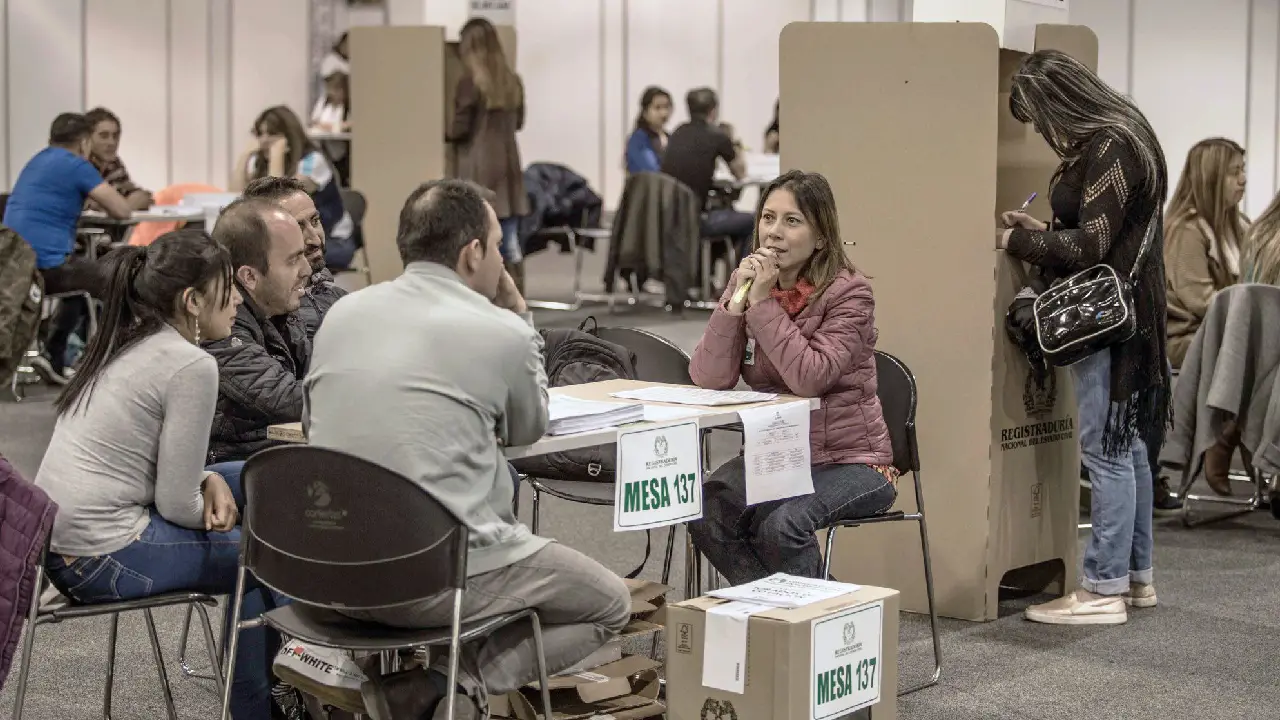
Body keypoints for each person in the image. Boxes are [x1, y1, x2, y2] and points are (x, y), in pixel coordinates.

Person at [304, 179, 629, 720]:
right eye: (498, 244)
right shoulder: (500, 331)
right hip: (435, 575)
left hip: (322, 566)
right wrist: (518, 312)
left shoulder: (343, 313)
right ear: (473, 251)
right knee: (610, 604)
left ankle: (417, 685)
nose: (501, 256)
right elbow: (530, 426)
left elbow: (316, 424)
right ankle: (449, 685)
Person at [32, 229, 291, 720]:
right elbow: (176, 505)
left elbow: (166, 475)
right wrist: (215, 506)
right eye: (225, 287)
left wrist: (211, 481)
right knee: (266, 557)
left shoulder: (129, 340)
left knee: (260, 475)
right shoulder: (189, 365)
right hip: (101, 555)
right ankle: (262, 708)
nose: (237, 297)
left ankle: (285, 685)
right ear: (193, 301)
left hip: (65, 544)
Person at [999, 49, 1170, 626]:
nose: (1045, 135)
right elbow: (1109, 234)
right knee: (1130, 448)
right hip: (1136, 308)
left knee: (1106, 453)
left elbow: (1094, 246)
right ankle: (1134, 577)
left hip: (1107, 313)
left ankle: (1101, 591)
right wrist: (1045, 229)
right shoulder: (1127, 135)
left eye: (1041, 119)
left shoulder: (1108, 146)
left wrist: (1020, 245)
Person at [686, 170, 897, 584]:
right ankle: (777, 619)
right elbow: (709, 378)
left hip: (851, 459)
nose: (774, 234)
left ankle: (816, 628)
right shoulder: (748, 284)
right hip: (779, 455)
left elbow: (809, 378)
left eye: (791, 221)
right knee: (707, 509)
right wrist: (735, 305)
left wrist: (762, 305)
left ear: (821, 237)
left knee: (782, 525)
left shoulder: (849, 293)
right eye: (767, 218)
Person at [3, 113, 133, 383]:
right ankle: (116, 365)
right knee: (120, 280)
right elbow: (121, 209)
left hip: (12, 265)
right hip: (44, 266)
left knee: (78, 287)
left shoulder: (38, 160)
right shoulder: (76, 165)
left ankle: (53, 356)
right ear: (85, 142)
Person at [1164, 138, 1249, 498]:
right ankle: (1228, 438)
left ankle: (1233, 439)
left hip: (1221, 336)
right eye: (1234, 172)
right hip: (1185, 341)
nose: (1243, 179)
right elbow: (1201, 301)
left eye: (1243, 170)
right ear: (1212, 178)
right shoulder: (1186, 229)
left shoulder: (1237, 225)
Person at [205, 198, 312, 463]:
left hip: (273, 453)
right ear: (249, 277)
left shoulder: (279, 308)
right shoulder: (219, 324)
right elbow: (289, 400)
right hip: (232, 466)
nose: (307, 269)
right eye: (293, 260)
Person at [448, 17, 530, 291]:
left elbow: (458, 129)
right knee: (510, 238)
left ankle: (487, 294)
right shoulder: (512, 81)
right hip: (509, 163)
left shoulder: (469, 83)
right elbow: (519, 123)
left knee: (478, 234)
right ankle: (517, 295)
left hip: (479, 163)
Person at [232, 105, 357, 268]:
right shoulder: (262, 162)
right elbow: (235, 199)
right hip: (292, 240)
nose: (263, 140)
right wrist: (244, 157)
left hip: (331, 241)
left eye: (272, 134)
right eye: (260, 134)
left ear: (289, 136)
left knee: (267, 260)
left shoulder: (313, 161)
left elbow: (277, 202)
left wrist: (277, 155)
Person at [242, 176, 347, 340]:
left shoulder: (339, 297)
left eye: (315, 221)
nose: (315, 239)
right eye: (298, 227)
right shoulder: (270, 315)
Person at [661, 87, 752, 260]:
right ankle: (744, 282)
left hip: (670, 216)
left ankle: (706, 276)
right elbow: (740, 173)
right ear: (713, 110)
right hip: (697, 219)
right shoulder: (717, 135)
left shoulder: (677, 133)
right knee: (754, 221)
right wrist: (735, 147)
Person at [83, 107, 154, 212]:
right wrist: (120, 208)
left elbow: (142, 196)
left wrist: (122, 209)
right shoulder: (79, 165)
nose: (112, 142)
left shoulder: (113, 163)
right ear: (87, 138)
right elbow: (90, 205)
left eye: (115, 136)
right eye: (104, 136)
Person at [310, 71, 351, 185]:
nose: (332, 93)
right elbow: (315, 120)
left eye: (336, 89)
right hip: (325, 146)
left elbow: (350, 124)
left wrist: (337, 126)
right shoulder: (324, 102)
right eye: (330, 89)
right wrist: (327, 126)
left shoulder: (348, 106)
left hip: (342, 148)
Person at [625, 86, 672, 174]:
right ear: (645, 112)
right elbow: (650, 170)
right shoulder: (638, 139)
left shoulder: (670, 137)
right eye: (657, 108)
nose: (663, 113)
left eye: (666, 107)